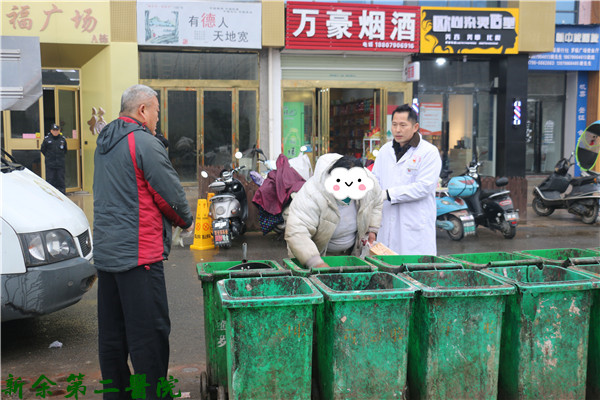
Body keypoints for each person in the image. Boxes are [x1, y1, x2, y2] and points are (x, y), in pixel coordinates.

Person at [93, 84, 194, 399]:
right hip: (139, 257)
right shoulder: (143, 143)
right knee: (147, 338)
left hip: (107, 257)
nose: (157, 120)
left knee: (113, 339)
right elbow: (170, 197)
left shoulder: (105, 143)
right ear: (142, 110)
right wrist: (185, 220)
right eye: (156, 112)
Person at [285, 154, 382, 269]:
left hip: (351, 254)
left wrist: (372, 230)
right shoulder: (312, 194)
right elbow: (297, 232)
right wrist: (316, 263)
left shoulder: (368, 183)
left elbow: (377, 201)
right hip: (318, 254)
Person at [372, 104, 442, 255]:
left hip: (414, 227)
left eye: (403, 125)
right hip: (387, 224)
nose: (397, 130)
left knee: (415, 271)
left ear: (415, 126)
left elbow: (424, 187)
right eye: (394, 124)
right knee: (386, 271)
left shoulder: (428, 152)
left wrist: (388, 194)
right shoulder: (385, 151)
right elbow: (375, 179)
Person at [40, 123, 67, 194]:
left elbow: (65, 150)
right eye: (54, 130)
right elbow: (43, 150)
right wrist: (49, 157)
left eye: (57, 130)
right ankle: (50, 195)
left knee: (61, 180)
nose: (55, 131)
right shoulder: (47, 139)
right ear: (51, 131)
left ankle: (62, 195)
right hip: (50, 164)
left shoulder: (62, 139)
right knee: (50, 180)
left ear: (59, 131)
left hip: (60, 164)